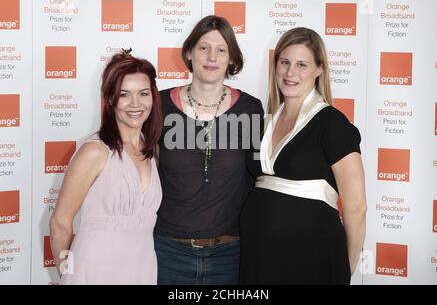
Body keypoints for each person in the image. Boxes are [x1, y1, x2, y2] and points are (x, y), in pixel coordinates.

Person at [240, 27, 367, 284]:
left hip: (312, 260)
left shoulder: (332, 124)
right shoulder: (265, 122)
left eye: (301, 65)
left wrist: (346, 267)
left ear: (319, 69)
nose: (290, 73)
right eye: (285, 62)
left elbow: (356, 206)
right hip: (258, 258)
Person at [154, 15, 264, 285]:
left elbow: (259, 178)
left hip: (230, 253)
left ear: (231, 59)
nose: (211, 56)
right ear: (190, 52)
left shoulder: (250, 109)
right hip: (168, 251)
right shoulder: (158, 105)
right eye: (204, 47)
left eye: (221, 49)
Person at [49, 51, 162, 284]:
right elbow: (60, 223)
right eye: (124, 95)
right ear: (110, 99)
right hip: (92, 272)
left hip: (142, 271)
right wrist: (68, 274)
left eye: (143, 93)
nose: (135, 104)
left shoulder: (151, 150)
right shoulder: (95, 151)